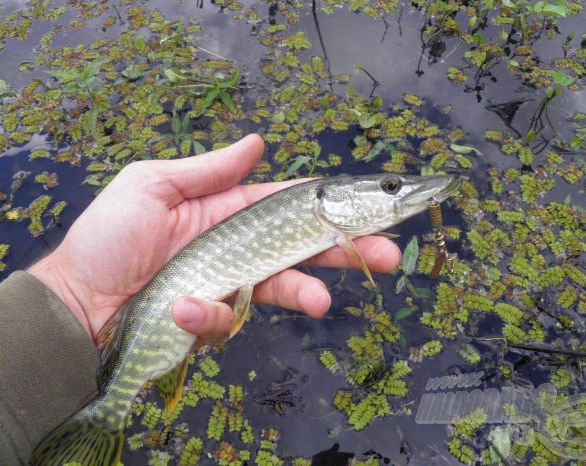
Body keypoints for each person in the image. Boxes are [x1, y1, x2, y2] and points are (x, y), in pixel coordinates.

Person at [0, 134, 401, 465]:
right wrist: (71, 291)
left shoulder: (320, 211)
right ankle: (108, 412)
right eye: (390, 187)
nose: (395, 192)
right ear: (334, 198)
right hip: (144, 316)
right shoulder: (315, 201)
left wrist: (66, 295)